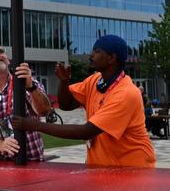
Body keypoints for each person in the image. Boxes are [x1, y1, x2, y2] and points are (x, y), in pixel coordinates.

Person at [14, 35, 154, 168]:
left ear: (111, 58)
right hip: (102, 167)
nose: (91, 55)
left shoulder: (126, 93)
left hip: (132, 169)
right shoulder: (95, 81)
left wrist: (35, 125)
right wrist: (64, 82)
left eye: (97, 51)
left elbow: (86, 131)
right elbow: (66, 105)